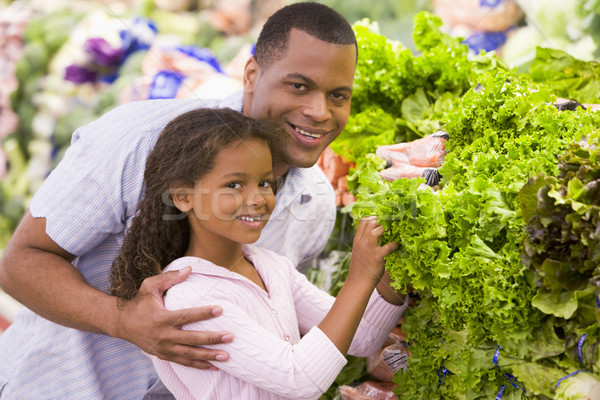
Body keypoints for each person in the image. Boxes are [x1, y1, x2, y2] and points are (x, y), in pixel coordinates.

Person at [0, 2, 373, 399]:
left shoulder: (314, 203)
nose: (319, 112)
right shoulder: (136, 138)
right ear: (252, 74)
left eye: (338, 95)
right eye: (298, 86)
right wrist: (123, 320)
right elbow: (20, 264)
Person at [110, 107, 407, 400]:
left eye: (265, 182)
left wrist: (391, 260)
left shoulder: (270, 266)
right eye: (234, 184)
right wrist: (357, 278)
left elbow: (363, 337)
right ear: (184, 197)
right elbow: (300, 379)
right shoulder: (187, 297)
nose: (258, 199)